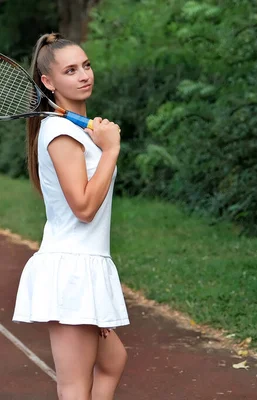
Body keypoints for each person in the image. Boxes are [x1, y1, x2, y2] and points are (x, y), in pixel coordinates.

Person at [12, 32, 129, 400]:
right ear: (48, 82)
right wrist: (110, 151)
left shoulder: (73, 129)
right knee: (75, 387)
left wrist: (101, 145)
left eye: (86, 65)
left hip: (85, 267)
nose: (84, 75)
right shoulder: (61, 133)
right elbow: (83, 207)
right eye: (71, 70)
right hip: (73, 272)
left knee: (113, 362)